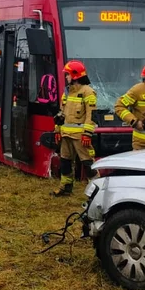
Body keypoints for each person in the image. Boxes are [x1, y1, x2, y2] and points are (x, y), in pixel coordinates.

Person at [52, 60, 96, 197]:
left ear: (75, 75)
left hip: (80, 136)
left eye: (68, 74)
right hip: (66, 134)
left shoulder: (88, 92)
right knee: (65, 161)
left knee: (87, 162)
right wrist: (57, 130)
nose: (66, 77)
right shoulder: (67, 92)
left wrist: (87, 133)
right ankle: (65, 187)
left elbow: (91, 115)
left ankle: (97, 190)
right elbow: (61, 113)